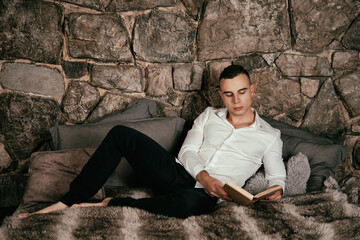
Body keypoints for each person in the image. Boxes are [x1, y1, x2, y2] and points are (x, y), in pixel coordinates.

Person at [19, 65, 286, 219]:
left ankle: (109, 204)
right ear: (220, 95)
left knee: (189, 204)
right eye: (229, 95)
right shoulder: (208, 115)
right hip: (178, 173)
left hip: (206, 196)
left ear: (252, 90)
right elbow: (188, 150)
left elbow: (277, 179)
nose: (236, 101)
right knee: (121, 133)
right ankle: (67, 201)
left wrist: (275, 192)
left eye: (241, 92)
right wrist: (204, 176)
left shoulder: (269, 136)